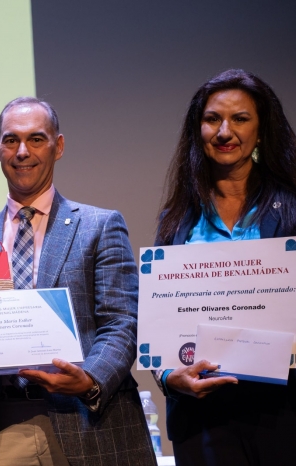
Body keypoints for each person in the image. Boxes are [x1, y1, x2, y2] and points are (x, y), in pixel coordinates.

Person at [0, 97, 156, 466]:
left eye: (36, 139)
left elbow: (122, 322)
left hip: (87, 422)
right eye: (11, 140)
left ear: (58, 146)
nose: (22, 152)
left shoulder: (99, 226)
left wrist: (90, 379)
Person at [153, 69, 296, 465]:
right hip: (202, 416)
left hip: (283, 411)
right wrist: (168, 377)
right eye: (213, 118)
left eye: (240, 119)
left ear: (262, 130)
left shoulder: (292, 211)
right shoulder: (178, 219)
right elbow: (160, 318)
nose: (224, 131)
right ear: (198, 129)